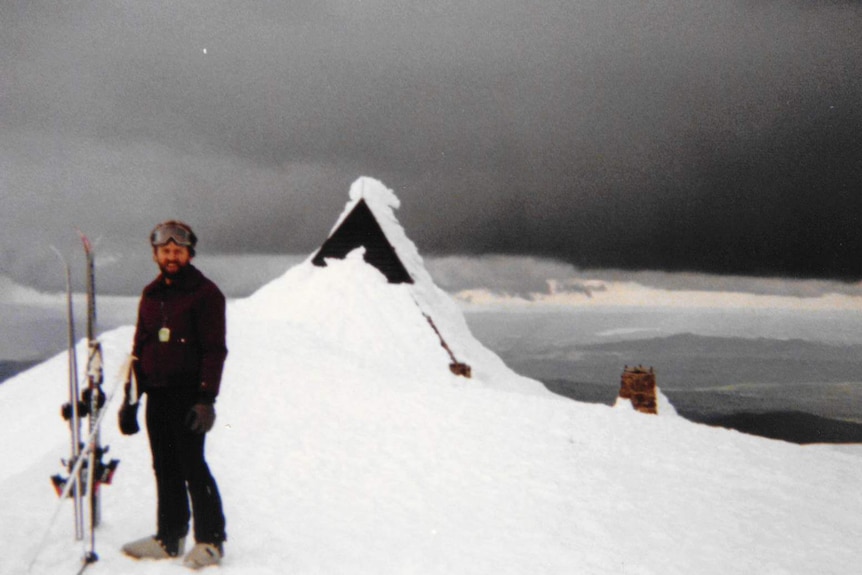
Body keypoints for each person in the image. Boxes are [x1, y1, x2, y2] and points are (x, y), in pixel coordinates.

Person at [118, 220, 228, 569]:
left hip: (188, 396)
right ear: (156, 254)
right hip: (157, 394)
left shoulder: (206, 294)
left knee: (192, 467)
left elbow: (214, 350)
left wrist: (206, 400)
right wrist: (131, 401)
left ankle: (210, 541)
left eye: (178, 251)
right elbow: (140, 349)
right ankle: (169, 536)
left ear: (189, 253)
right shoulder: (151, 295)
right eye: (165, 251)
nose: (171, 256)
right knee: (163, 466)